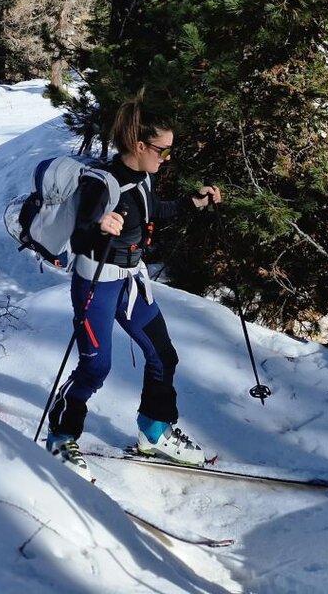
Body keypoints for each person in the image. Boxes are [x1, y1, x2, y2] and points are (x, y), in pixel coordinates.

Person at [44, 97, 223, 480]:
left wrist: (194, 203)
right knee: (96, 367)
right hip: (96, 285)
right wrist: (98, 228)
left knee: (163, 355)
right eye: (163, 150)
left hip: (130, 281)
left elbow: (152, 209)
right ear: (140, 146)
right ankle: (61, 435)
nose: (167, 157)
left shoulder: (143, 178)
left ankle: (154, 430)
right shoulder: (101, 184)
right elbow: (78, 237)